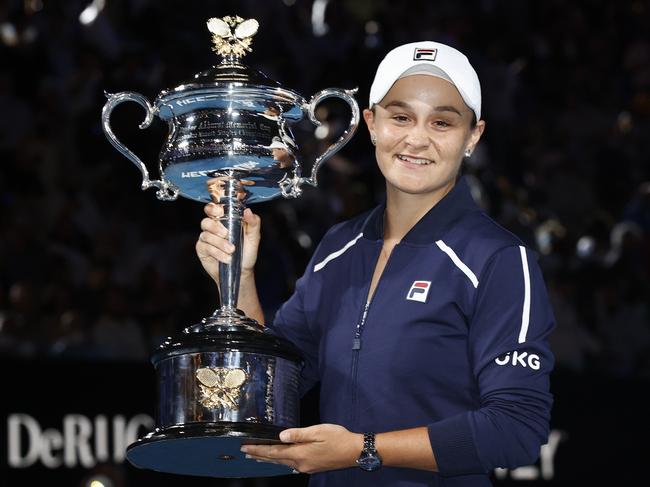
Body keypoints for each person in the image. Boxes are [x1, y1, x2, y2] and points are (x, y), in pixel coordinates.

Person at [196, 41, 555, 486]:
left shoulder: (497, 259)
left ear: (473, 136)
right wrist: (239, 277)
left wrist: (363, 448)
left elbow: (516, 430)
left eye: (442, 122)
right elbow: (268, 392)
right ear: (371, 123)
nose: (416, 138)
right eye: (400, 117)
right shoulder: (337, 247)